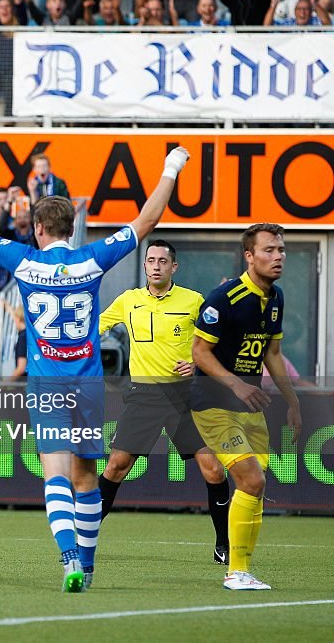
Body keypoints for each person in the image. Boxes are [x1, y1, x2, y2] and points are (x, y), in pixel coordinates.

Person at [0, 145, 192, 592]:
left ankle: (68, 560)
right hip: (87, 384)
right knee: (86, 478)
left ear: (39, 229)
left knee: (55, 475)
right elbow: (147, 222)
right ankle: (90, 564)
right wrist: (171, 167)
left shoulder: (23, 260)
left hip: (46, 383)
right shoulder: (92, 258)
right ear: (72, 228)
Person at [97, 240, 231, 565]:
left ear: (174, 267)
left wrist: (197, 365)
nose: (156, 265)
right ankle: (83, 535)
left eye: (162, 260)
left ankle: (224, 544)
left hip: (184, 396)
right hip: (143, 396)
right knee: (116, 467)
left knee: (213, 469)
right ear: (145, 266)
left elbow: (217, 339)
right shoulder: (128, 301)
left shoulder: (193, 301)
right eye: (151, 260)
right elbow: (92, 329)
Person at [190, 223, 301, 590]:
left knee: (256, 485)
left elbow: (272, 352)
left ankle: (243, 569)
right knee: (251, 479)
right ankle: (235, 572)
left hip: (250, 406)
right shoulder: (224, 299)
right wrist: (235, 383)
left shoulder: (277, 297)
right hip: (214, 404)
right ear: (249, 256)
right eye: (269, 250)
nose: (278, 256)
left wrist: (292, 401)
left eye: (281, 250)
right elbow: (199, 352)